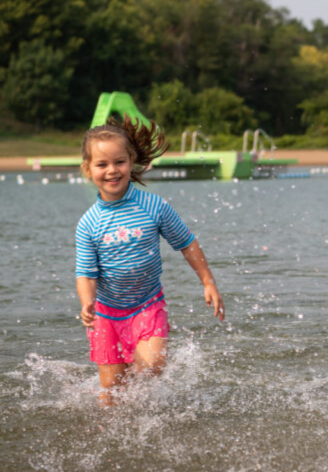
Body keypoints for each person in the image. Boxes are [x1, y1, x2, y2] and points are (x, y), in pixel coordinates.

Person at [75, 116, 224, 405]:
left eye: (119, 162)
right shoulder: (88, 224)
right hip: (106, 315)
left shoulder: (153, 206)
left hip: (147, 305)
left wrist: (208, 281)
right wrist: (86, 301)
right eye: (102, 164)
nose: (112, 171)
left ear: (131, 161)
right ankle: (111, 436)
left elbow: (186, 242)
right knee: (111, 390)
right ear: (87, 169)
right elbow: (86, 273)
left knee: (152, 366)